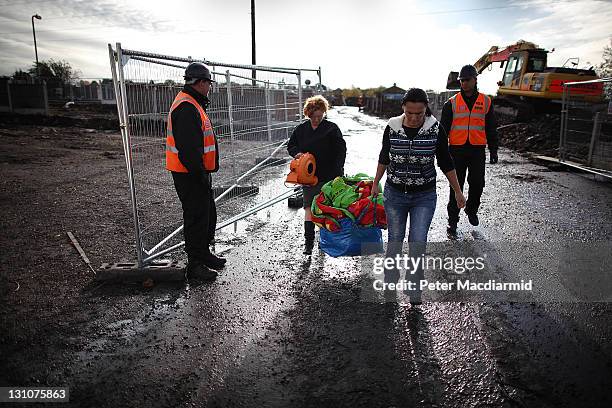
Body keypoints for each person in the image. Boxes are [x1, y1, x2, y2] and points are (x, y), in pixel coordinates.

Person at [372, 88, 466, 304]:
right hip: (394, 194)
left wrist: (458, 191)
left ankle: (414, 288)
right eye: (410, 113)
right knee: (395, 240)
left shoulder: (435, 129)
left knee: (418, 241)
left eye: (419, 113)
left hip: (423, 196)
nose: (414, 118)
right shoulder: (392, 127)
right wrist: (376, 182)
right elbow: (384, 156)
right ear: (403, 108)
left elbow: (445, 161)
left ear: (426, 110)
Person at [166, 62, 226, 281]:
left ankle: (204, 254)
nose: (209, 87)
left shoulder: (193, 102)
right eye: (208, 83)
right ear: (200, 83)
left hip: (197, 172)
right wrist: (199, 174)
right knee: (196, 217)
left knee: (207, 214)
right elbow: (188, 149)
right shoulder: (187, 107)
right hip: (189, 173)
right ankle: (195, 265)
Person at [441, 64, 499, 235]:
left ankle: (471, 210)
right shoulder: (451, 103)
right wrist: (442, 152)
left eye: (467, 80)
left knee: (478, 184)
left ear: (475, 80)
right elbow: (443, 131)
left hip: (476, 150)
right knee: (455, 187)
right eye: (462, 80)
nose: (464, 83)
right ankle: (453, 221)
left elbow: (491, 128)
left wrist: (494, 150)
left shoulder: (486, 101)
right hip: (456, 151)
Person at [287, 95, 346, 255]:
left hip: (328, 176)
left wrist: (338, 172)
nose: (317, 119)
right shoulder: (301, 129)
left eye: (320, 116)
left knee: (324, 209)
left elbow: (341, 151)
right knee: (308, 209)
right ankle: (308, 243)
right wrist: (297, 154)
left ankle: (323, 241)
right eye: (314, 116)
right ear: (308, 114)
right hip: (308, 177)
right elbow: (291, 145)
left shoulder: (332, 129)